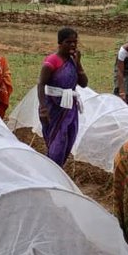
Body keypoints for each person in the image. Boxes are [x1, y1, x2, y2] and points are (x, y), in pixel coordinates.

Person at [37, 27, 88, 166]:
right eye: (68, 42)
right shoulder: (52, 61)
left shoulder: (73, 61)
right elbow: (41, 84)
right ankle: (52, 170)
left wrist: (78, 63)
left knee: (69, 138)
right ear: (60, 43)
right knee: (57, 141)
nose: (72, 45)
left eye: (75, 42)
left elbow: (84, 84)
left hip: (70, 107)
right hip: (53, 106)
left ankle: (57, 169)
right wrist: (43, 108)